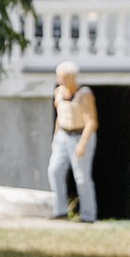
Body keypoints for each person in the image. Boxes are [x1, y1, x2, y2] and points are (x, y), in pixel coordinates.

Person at [49, 65, 100, 222]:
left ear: (72, 77)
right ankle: (60, 211)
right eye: (59, 76)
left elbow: (92, 122)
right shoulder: (58, 92)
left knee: (82, 177)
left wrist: (83, 144)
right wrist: (55, 138)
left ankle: (88, 215)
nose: (60, 79)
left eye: (63, 76)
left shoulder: (84, 94)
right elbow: (59, 116)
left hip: (81, 135)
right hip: (63, 135)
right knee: (54, 170)